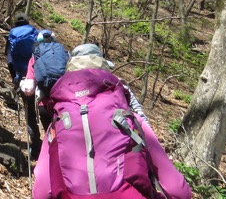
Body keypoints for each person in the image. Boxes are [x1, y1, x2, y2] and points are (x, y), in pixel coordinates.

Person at [32, 43, 190, 199]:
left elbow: (41, 190)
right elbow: (177, 190)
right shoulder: (129, 117)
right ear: (106, 73)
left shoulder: (57, 122)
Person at [5, 13, 43, 160]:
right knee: (44, 110)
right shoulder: (35, 33)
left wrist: (15, 78)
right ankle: (51, 145)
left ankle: (36, 147)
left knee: (30, 112)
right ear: (28, 22)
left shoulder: (12, 36)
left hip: (23, 79)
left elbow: (9, 60)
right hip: (39, 77)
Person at [19, 30, 69, 133]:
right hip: (65, 103)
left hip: (45, 104)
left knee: (51, 137)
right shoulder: (65, 54)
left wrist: (22, 85)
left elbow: (29, 88)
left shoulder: (35, 56)